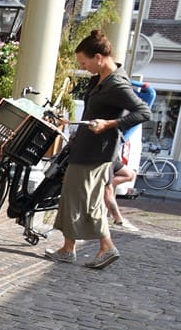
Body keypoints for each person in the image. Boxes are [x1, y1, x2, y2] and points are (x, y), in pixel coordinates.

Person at [45, 30, 150, 269]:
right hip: (85, 147)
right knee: (75, 198)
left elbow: (144, 112)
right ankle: (70, 248)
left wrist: (110, 124)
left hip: (96, 153)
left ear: (99, 57)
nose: (83, 67)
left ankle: (105, 246)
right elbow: (94, 112)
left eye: (84, 62)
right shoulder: (100, 78)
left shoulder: (116, 83)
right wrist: (74, 124)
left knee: (85, 200)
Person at [103, 156, 138, 231]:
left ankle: (101, 186)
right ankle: (119, 221)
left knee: (131, 175)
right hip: (103, 159)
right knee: (108, 191)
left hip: (112, 157)